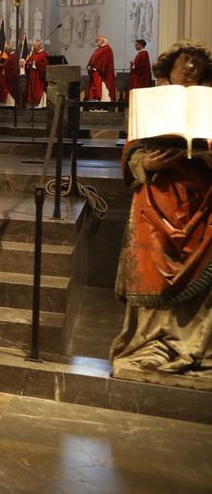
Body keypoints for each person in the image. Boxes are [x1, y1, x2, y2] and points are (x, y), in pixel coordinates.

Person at [111, 40, 212, 382]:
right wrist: (146, 161)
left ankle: (192, 342)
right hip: (157, 200)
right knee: (153, 270)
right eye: (185, 61)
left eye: (198, 64)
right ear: (169, 66)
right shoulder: (150, 102)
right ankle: (150, 342)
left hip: (202, 202)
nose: (191, 69)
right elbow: (132, 151)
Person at [86, 35, 116, 102]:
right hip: (95, 73)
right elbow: (92, 59)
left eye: (98, 40)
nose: (96, 41)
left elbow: (104, 62)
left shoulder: (107, 49)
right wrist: (89, 66)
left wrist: (95, 68)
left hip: (102, 75)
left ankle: (103, 105)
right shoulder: (98, 49)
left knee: (102, 90)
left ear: (102, 40)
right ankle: (96, 104)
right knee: (94, 89)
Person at [23, 39, 49, 108]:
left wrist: (34, 63)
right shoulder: (34, 54)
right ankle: (32, 105)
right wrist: (28, 63)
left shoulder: (44, 54)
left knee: (37, 90)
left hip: (39, 77)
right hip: (32, 76)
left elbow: (45, 65)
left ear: (40, 46)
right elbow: (29, 61)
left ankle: (40, 106)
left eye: (35, 46)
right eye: (34, 46)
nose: (33, 48)